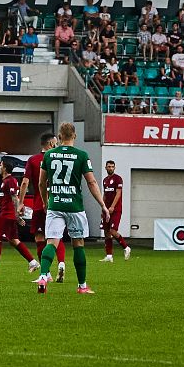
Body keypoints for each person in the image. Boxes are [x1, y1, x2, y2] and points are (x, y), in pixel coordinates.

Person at [35, 122, 107, 296]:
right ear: (74, 136)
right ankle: (82, 286)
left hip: (56, 204)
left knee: (51, 242)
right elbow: (91, 182)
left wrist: (46, 202)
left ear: (59, 137)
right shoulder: (81, 155)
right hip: (74, 206)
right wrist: (102, 205)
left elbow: (41, 183)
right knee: (78, 244)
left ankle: (43, 275)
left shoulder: (49, 155)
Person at [23, 132, 62, 281]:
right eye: (56, 143)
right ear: (51, 143)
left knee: (40, 238)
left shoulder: (33, 160)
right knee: (56, 236)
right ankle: (62, 264)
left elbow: (26, 183)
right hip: (57, 202)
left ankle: (46, 273)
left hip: (40, 204)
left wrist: (21, 203)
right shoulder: (57, 158)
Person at [0, 163, 35, 273]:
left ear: (5, 168)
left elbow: (14, 198)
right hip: (6, 213)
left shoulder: (10, 181)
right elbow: (4, 200)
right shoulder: (5, 181)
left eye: (1, 166)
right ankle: (33, 262)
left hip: (6, 215)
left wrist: (17, 215)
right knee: (13, 240)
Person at [101, 160, 131, 261]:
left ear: (114, 168)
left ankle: (126, 248)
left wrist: (112, 207)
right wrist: (103, 207)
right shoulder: (105, 180)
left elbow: (118, 193)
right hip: (106, 210)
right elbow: (105, 195)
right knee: (106, 232)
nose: (110, 168)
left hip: (116, 209)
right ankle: (109, 256)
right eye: (109, 166)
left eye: (112, 167)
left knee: (113, 231)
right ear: (106, 168)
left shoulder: (118, 179)